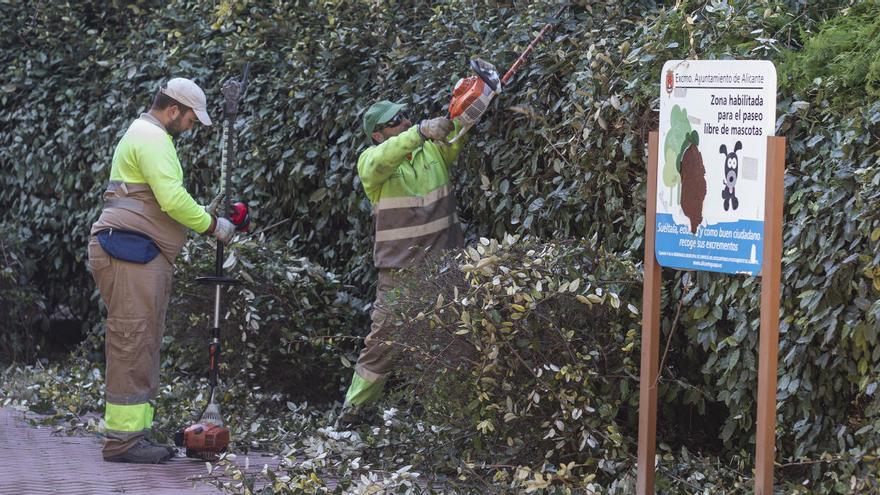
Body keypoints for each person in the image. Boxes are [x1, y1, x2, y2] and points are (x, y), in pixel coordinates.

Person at [88, 77, 235, 463]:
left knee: (141, 341)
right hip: (130, 254)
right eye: (190, 120)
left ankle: (136, 435)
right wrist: (211, 224)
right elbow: (171, 199)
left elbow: (162, 197)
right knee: (132, 341)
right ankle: (123, 442)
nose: (191, 127)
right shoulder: (153, 139)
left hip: (137, 252)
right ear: (173, 110)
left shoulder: (150, 136)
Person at [336, 100, 468, 428]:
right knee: (382, 345)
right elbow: (383, 158)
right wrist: (420, 130)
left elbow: (458, 132)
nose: (405, 121)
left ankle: (452, 421)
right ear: (379, 135)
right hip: (400, 274)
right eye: (396, 121)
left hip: (446, 269)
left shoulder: (432, 152)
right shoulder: (372, 164)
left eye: (405, 115)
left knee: (456, 342)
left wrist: (470, 107)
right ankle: (351, 413)